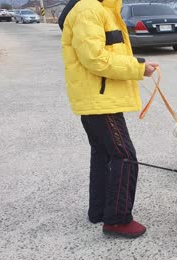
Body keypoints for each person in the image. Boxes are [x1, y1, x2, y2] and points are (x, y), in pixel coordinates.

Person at [61, 0, 158, 238]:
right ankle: (117, 219)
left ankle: (100, 211)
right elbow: (95, 58)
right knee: (125, 156)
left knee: (103, 154)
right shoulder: (89, 9)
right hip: (99, 101)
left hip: (100, 98)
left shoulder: (103, 9)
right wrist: (138, 67)